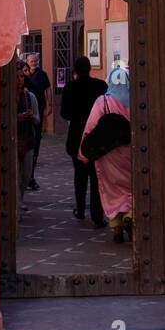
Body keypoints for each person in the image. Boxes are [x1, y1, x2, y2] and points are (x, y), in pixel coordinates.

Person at [78, 66, 133, 243]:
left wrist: (83, 153)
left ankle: (117, 227)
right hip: (129, 152)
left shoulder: (103, 101)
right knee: (130, 188)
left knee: (111, 190)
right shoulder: (134, 99)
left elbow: (91, 126)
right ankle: (130, 215)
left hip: (107, 155)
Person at [60, 54, 107, 226]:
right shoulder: (100, 86)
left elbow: (64, 113)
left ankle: (80, 209)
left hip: (77, 136)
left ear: (75, 70)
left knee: (79, 175)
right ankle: (97, 215)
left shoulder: (70, 88)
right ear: (90, 68)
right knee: (96, 177)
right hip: (96, 136)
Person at [15, 59, 40, 212]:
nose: (19, 80)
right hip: (13, 140)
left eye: (21, 77)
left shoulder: (30, 97)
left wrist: (31, 116)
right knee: (15, 175)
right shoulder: (7, 98)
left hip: (28, 139)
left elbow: (37, 120)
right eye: (17, 77)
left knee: (25, 175)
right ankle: (17, 205)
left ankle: (20, 199)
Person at [24, 53, 50, 191]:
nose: (34, 62)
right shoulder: (23, 76)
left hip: (37, 112)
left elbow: (48, 89)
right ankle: (28, 177)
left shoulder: (42, 75)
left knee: (35, 144)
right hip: (25, 115)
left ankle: (31, 176)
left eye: (35, 60)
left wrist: (49, 105)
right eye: (31, 61)